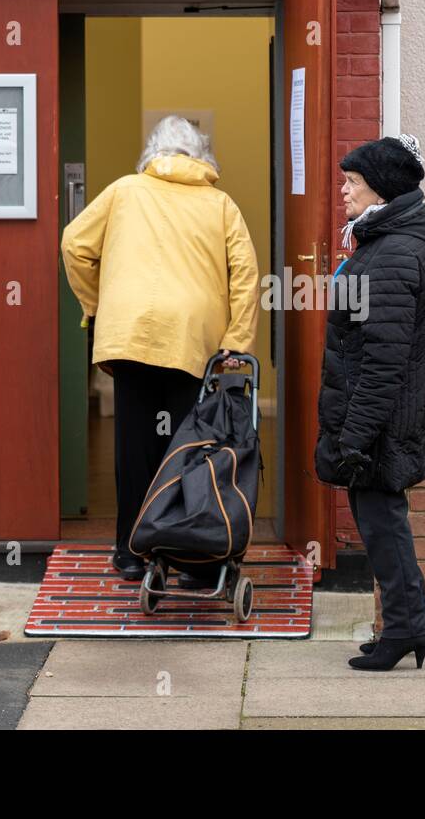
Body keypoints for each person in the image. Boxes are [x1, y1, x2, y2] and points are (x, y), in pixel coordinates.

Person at [61, 116, 260, 586]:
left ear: (153, 151)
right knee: (194, 446)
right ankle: (194, 558)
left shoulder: (125, 190)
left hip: (130, 333)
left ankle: (131, 554)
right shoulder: (220, 204)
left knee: (133, 447)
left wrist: (98, 303)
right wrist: (237, 341)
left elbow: (74, 244)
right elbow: (247, 277)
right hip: (193, 339)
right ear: (202, 156)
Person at [315, 133, 425, 671]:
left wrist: (353, 435)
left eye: (352, 183)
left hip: (381, 422)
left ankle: (407, 628)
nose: (344, 192)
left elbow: (384, 360)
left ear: (381, 190)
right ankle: (410, 622)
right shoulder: (385, 242)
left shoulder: (393, 254)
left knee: (382, 522)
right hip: (383, 419)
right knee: (383, 521)